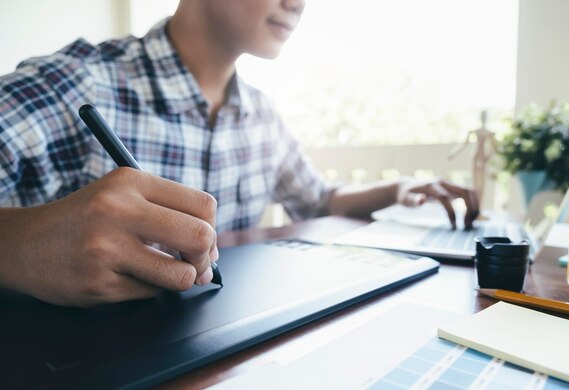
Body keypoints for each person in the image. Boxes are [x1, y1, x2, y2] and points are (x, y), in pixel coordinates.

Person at [0, 0, 479, 307]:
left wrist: (397, 187)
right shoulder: (77, 82)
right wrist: (18, 245)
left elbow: (318, 201)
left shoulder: (261, 115)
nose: (298, 4)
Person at [448, 110, 497, 207]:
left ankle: (479, 209)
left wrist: (488, 156)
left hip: (483, 158)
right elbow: (463, 144)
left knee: (482, 184)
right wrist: (453, 153)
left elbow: (494, 147)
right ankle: (475, 208)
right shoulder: (475, 131)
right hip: (476, 157)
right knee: (475, 184)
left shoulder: (490, 133)